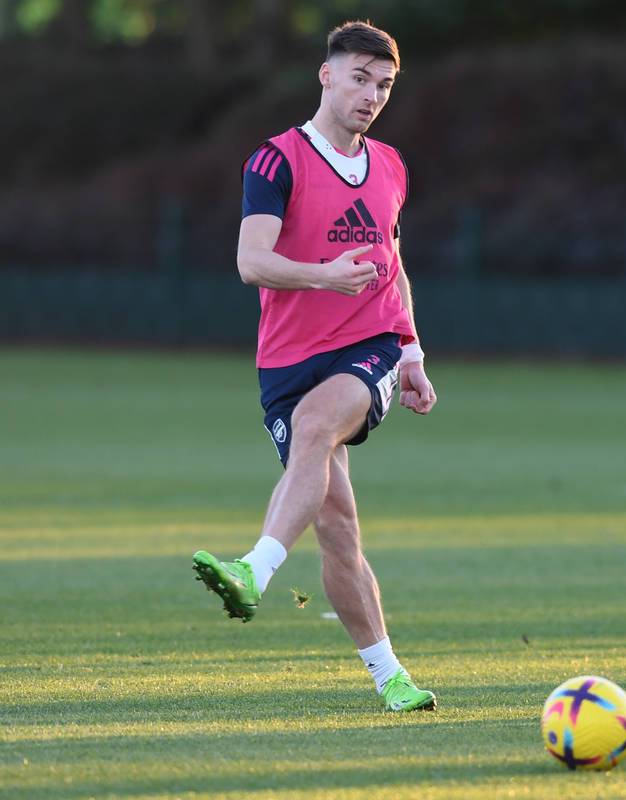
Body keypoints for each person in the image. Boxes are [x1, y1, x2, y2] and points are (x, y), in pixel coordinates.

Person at [192, 20, 438, 713]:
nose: (372, 95)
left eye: (384, 85)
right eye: (360, 78)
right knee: (336, 527)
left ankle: (253, 569)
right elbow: (251, 262)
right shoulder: (274, 161)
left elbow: (393, 268)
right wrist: (323, 275)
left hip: (368, 347)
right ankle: (390, 675)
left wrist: (411, 353)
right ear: (325, 75)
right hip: (286, 359)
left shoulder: (389, 166)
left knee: (315, 425)